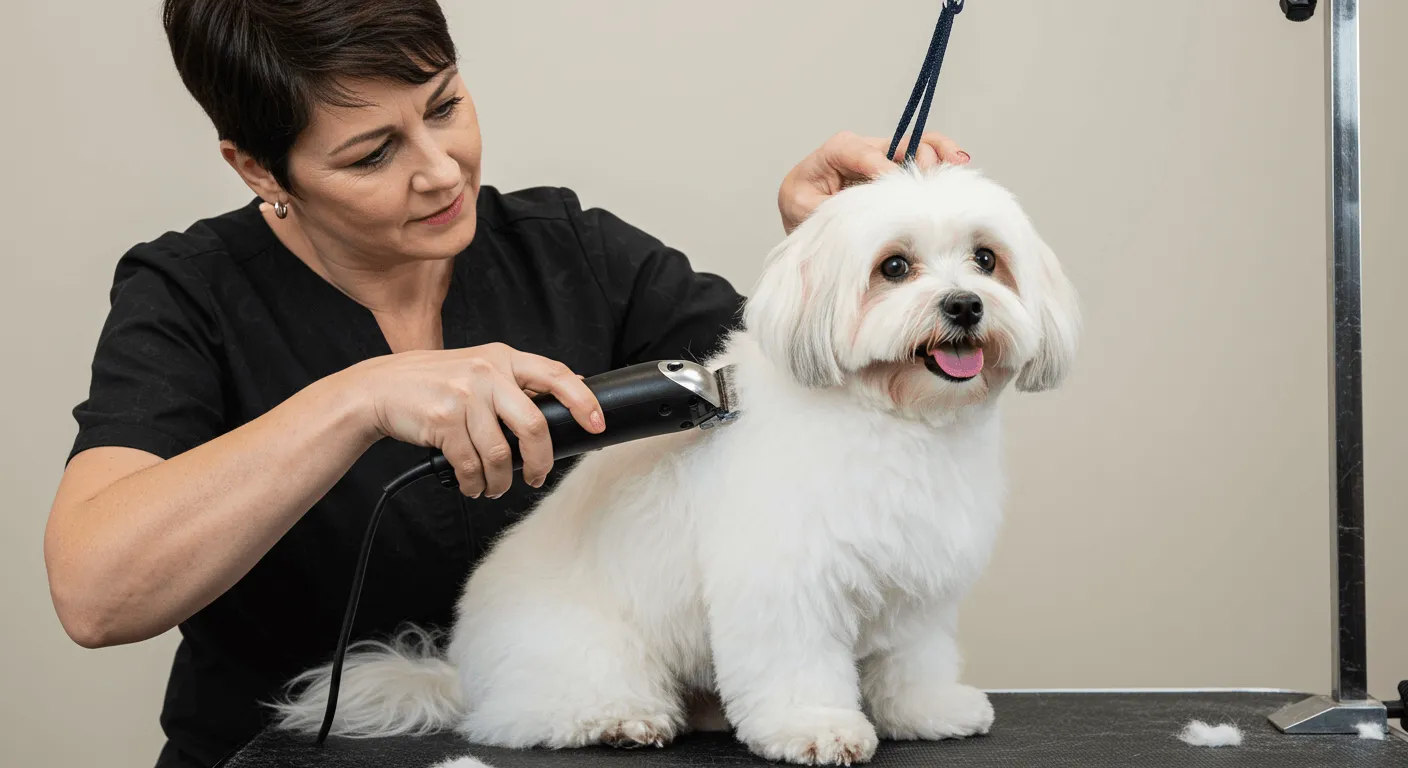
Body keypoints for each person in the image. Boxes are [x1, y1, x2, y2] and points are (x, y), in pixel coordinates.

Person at [41, 1, 969, 766]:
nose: (441, 170)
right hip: (276, 751)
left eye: (444, 107)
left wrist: (829, 257)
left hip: (573, 745)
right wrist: (358, 398)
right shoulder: (190, 293)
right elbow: (97, 593)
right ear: (257, 168)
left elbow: (787, 395)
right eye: (372, 155)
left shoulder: (572, 251)